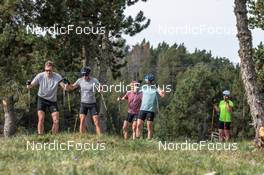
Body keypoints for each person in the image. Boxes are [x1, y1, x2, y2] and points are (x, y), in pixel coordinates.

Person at [27, 61, 69, 134]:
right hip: (42, 99)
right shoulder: (40, 76)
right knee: (41, 119)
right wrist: (28, 85)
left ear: (53, 69)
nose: (48, 72)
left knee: (56, 120)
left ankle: (53, 137)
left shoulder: (57, 76)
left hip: (52, 101)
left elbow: (64, 88)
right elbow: (31, 85)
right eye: (46, 70)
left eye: (50, 70)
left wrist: (66, 85)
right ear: (44, 69)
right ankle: (41, 137)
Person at [66, 67, 101, 135]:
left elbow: (100, 87)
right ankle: (81, 136)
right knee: (82, 120)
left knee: (96, 121)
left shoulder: (94, 80)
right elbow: (73, 87)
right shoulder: (80, 80)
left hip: (92, 104)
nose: (84, 76)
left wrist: (100, 89)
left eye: (86, 75)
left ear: (89, 74)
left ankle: (100, 137)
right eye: (83, 75)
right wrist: (68, 85)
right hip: (83, 103)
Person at [136, 73, 165, 139]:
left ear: (150, 81)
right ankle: (137, 140)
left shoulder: (155, 88)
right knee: (138, 125)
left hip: (151, 110)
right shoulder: (144, 87)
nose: (146, 81)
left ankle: (149, 140)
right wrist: (138, 84)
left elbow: (162, 95)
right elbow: (136, 91)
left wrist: (158, 87)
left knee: (149, 126)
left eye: (147, 80)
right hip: (142, 109)